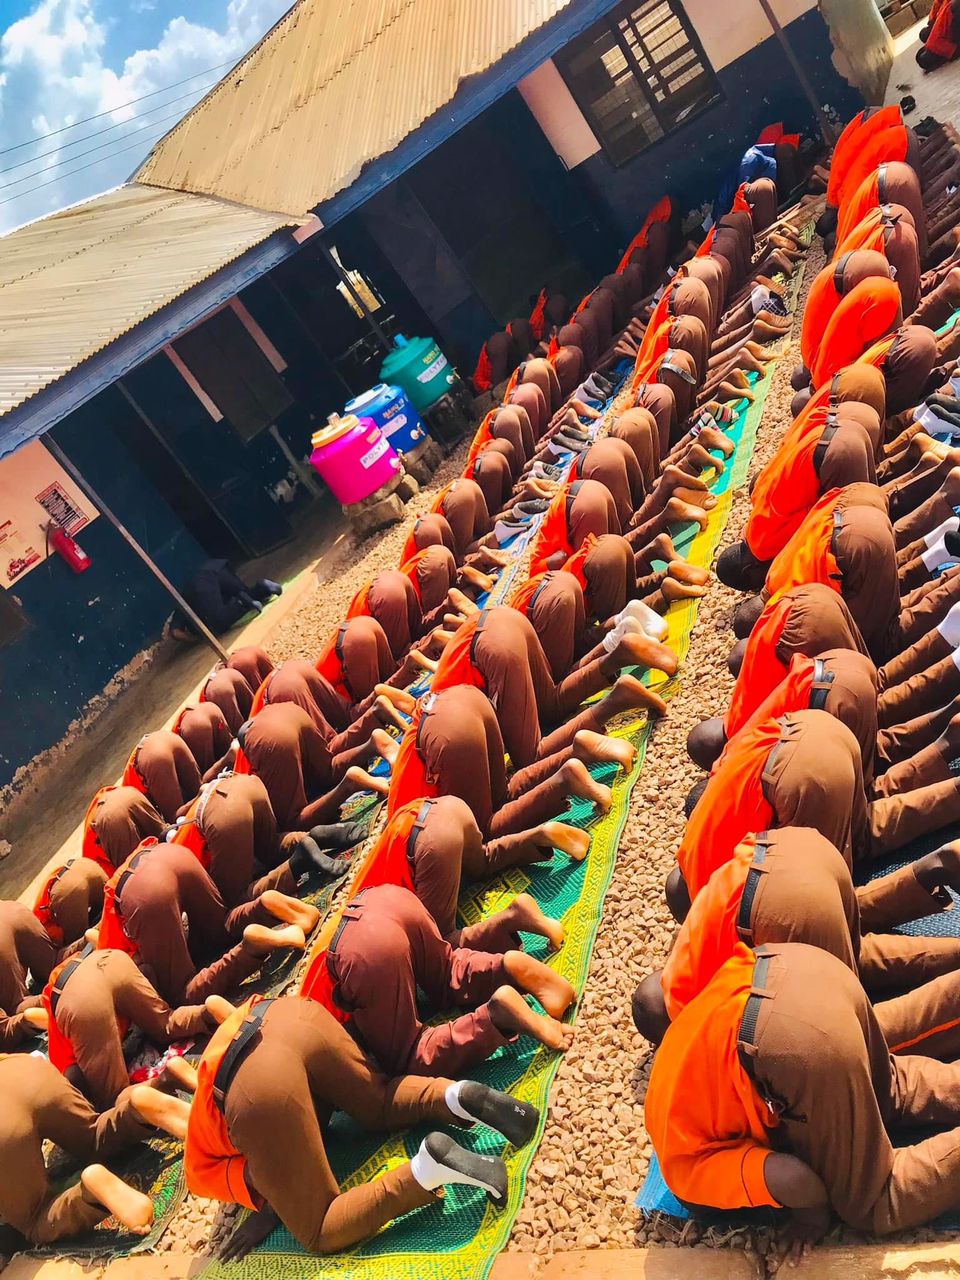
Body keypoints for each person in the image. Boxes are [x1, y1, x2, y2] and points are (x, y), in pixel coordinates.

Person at [183, 993, 543, 1256]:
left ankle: (427, 1169)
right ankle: (455, 1095)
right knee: (380, 1101)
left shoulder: (200, 1170)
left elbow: (267, 1181)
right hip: (285, 1013)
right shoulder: (204, 1104)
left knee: (320, 1228)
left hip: (257, 1085)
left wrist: (280, 1207)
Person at [645, 943, 960, 1236]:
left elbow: (793, 1179)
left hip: (792, 1039)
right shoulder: (664, 1102)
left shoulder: (688, 1177)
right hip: (794, 965)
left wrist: (810, 1220)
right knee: (888, 1089)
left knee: (870, 1202)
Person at [635, 827, 960, 1059]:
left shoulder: (693, 1014)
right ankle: (928, 871)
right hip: (789, 850)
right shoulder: (690, 946)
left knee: (853, 1041)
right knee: (847, 941)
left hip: (777, 910)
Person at [311, 883, 576, 1074]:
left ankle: (497, 1016)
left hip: (362, 950)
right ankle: (504, 966)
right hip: (383, 897)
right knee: (447, 970)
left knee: (407, 1055)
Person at [429, 605, 673, 770]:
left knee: (529, 758)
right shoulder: (435, 701)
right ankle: (619, 649)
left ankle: (615, 702)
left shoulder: (439, 725)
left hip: (492, 648)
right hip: (502, 617)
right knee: (551, 703)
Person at [96, 838, 318, 1006]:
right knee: (221, 926)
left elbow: (147, 987)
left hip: (143, 893)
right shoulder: (105, 932)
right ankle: (263, 905)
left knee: (181, 995)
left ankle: (251, 947)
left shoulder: (108, 963)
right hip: (166, 852)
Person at [0, 1054, 188, 1245]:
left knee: (34, 1218)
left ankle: (89, 1195)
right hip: (26, 1070)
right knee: (94, 1137)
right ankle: (138, 1108)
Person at [43, 947, 211, 1108]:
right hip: (108, 959)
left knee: (113, 1097)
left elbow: (71, 1075)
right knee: (167, 1022)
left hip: (81, 997)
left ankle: (165, 1080)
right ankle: (209, 1012)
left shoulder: (60, 1031)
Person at [234, 703, 385, 832]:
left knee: (292, 823)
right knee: (327, 770)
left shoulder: (247, 758)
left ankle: (349, 784)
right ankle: (371, 745)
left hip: (269, 740)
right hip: (288, 711)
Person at [168, 560, 282, 640]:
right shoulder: (200, 603)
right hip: (217, 567)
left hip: (203, 583)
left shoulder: (182, 607)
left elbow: (176, 633)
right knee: (246, 595)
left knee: (219, 624)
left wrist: (198, 640)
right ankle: (263, 587)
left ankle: (241, 603)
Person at [81, 785, 167, 876]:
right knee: (168, 841)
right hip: (128, 793)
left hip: (111, 819)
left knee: (136, 874)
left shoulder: (94, 868)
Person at [121, 729, 202, 824]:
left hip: (154, 757)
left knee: (176, 819)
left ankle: (203, 793)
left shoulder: (130, 799)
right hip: (165, 737)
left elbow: (171, 821)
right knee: (201, 794)